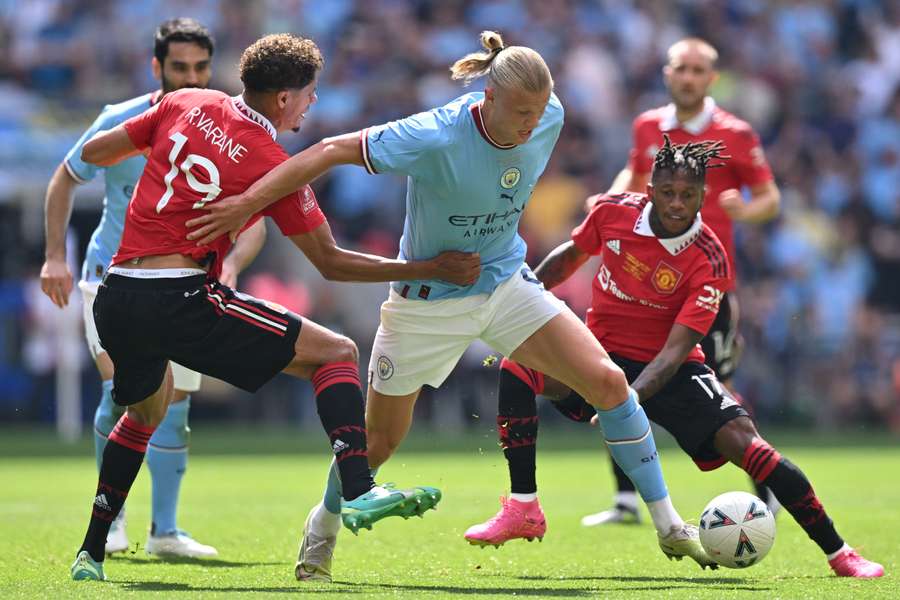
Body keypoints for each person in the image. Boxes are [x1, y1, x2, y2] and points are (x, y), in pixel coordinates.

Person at [186, 31, 715, 583]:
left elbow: (537, 123)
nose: (531, 125)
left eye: (538, 112)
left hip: (506, 283)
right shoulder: (435, 134)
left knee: (608, 383)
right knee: (379, 443)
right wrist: (250, 201)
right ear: (487, 98)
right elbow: (327, 151)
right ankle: (323, 524)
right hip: (426, 306)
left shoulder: (551, 114)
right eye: (520, 113)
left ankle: (670, 525)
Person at [69, 32, 479, 582]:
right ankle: (358, 489)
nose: (312, 104)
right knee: (335, 351)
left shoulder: (185, 101)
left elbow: (94, 154)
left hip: (116, 293)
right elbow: (332, 263)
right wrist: (427, 268)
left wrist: (174, 149)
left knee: (145, 412)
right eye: (310, 94)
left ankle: (91, 553)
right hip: (179, 296)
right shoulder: (273, 165)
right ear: (284, 98)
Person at [465, 136, 884, 578]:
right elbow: (569, 259)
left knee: (748, 444)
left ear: (703, 195)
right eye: (667, 193)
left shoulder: (708, 258)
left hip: (673, 371)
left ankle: (840, 554)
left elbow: (673, 352)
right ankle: (524, 505)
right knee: (517, 366)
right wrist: (519, 301)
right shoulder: (612, 212)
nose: (678, 204)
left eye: (688, 194)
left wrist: (626, 399)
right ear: (650, 191)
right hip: (598, 353)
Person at [40, 18, 232, 559]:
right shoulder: (121, 120)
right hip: (111, 277)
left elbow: (253, 208)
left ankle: (165, 532)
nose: (190, 77)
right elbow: (65, 177)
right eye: (179, 68)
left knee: (173, 405)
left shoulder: (221, 125)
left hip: (184, 282)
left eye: (199, 67)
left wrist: (233, 259)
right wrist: (55, 255)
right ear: (157, 67)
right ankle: (114, 516)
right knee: (122, 391)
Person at [583, 37, 782, 527]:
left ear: (711, 78)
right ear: (668, 74)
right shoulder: (647, 125)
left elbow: (770, 198)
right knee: (620, 380)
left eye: (698, 70)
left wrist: (745, 209)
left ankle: (769, 490)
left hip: (706, 287)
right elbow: (634, 173)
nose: (688, 77)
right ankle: (627, 499)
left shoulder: (736, 133)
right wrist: (607, 199)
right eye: (681, 69)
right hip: (648, 286)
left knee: (720, 393)